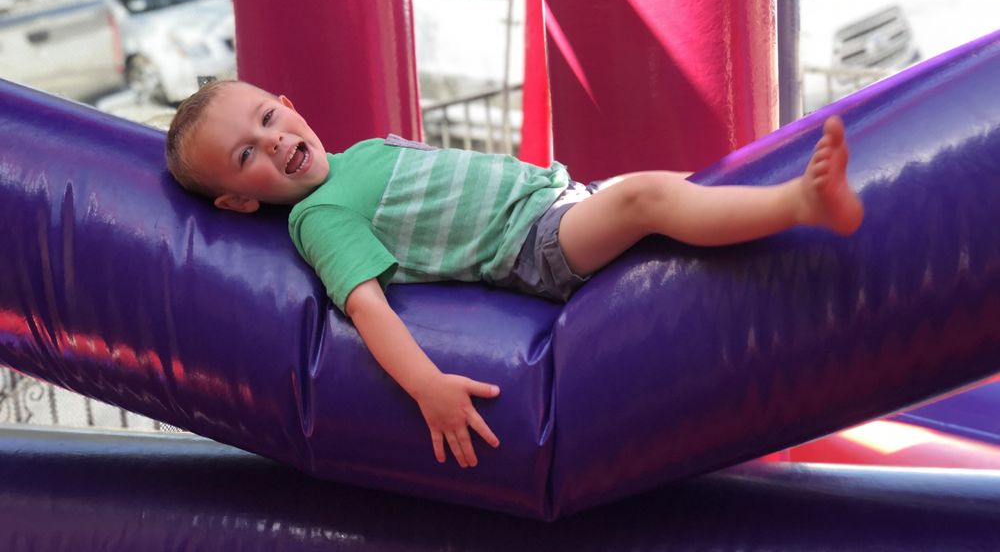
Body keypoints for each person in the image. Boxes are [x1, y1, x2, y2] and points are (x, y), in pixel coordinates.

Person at [165, 80, 864, 470]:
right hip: (534, 244)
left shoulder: (357, 156)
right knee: (648, 198)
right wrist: (427, 387)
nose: (276, 142)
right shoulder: (317, 215)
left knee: (675, 189)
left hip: (558, 197)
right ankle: (800, 203)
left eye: (268, 118)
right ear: (237, 200)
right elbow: (366, 306)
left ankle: (767, 200)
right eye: (247, 154)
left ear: (291, 101)